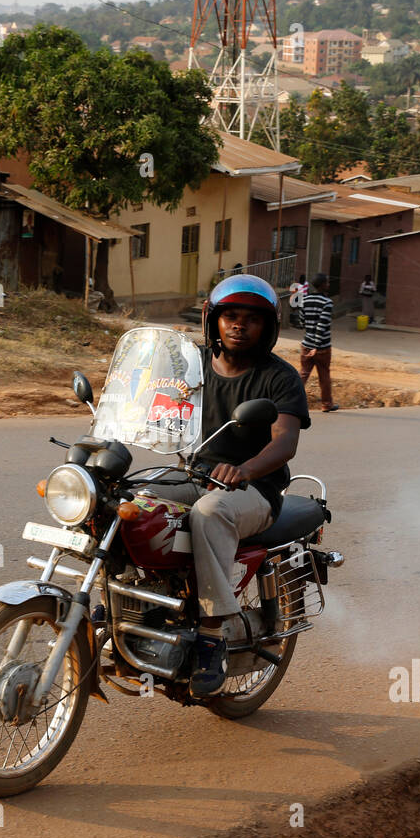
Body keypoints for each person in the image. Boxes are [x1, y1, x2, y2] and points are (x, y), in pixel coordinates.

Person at [148, 274, 311, 697]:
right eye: (231, 316)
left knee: (209, 511)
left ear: (268, 327)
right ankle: (136, 599)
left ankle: (211, 633)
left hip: (254, 491)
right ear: (214, 321)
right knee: (132, 499)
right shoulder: (192, 365)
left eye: (250, 319)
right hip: (194, 474)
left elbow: (285, 442)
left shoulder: (280, 378)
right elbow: (155, 403)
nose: (239, 325)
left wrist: (246, 470)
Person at [298, 272, 339, 412]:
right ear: (322, 285)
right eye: (327, 282)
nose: (328, 284)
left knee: (303, 373)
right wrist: (316, 346)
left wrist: (310, 339)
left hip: (306, 344)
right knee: (324, 376)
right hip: (322, 347)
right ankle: (327, 404)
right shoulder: (327, 302)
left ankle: (289, 401)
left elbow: (301, 321)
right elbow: (322, 325)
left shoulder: (305, 300)